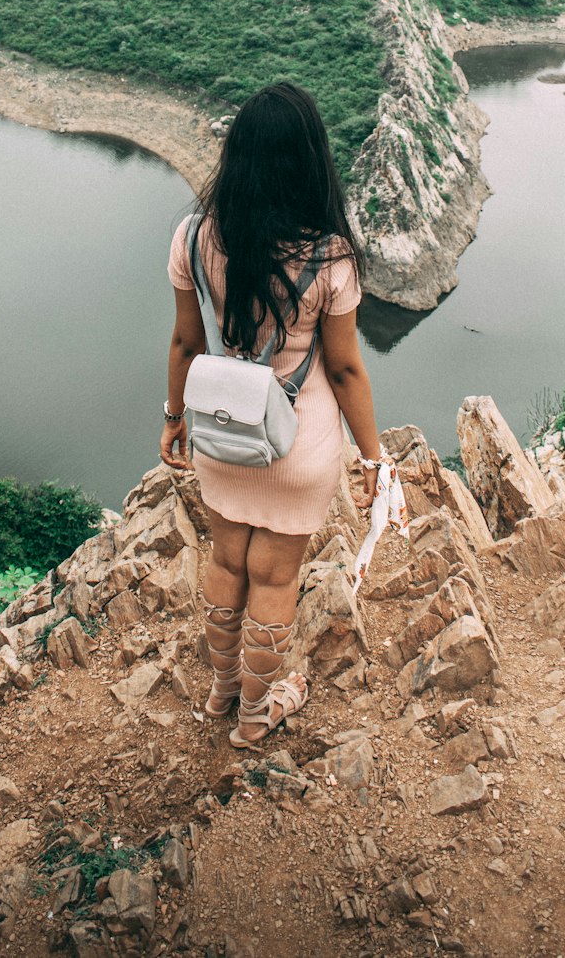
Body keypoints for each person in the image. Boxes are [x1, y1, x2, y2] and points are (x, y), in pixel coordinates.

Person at [160, 82, 385, 750]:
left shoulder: (196, 235)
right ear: (309, 161)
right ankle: (256, 716)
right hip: (297, 443)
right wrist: (374, 458)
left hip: (223, 432)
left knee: (226, 563)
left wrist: (175, 415)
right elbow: (344, 368)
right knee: (275, 576)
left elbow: (184, 342)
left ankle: (220, 694)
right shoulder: (331, 257)